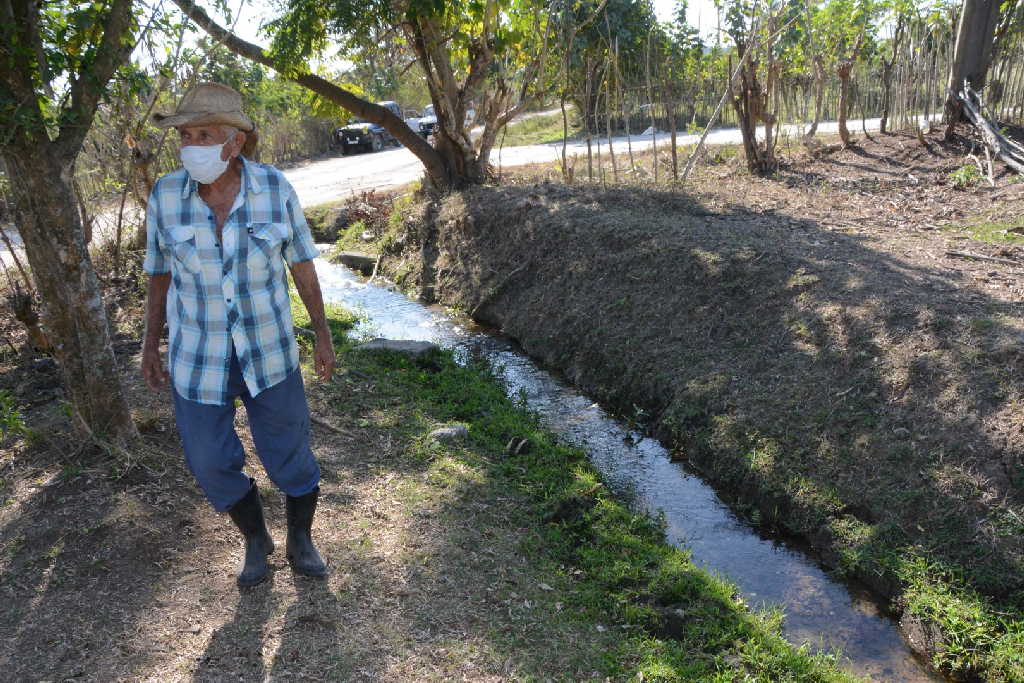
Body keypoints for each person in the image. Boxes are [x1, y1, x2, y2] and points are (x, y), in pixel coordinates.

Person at [141, 82, 335, 588]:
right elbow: (158, 271)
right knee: (209, 461)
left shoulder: (274, 189)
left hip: (268, 350)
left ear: (233, 141)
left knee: (289, 451)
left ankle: (300, 538)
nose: (191, 144)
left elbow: (302, 264)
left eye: (203, 134)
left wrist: (322, 332)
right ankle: (255, 538)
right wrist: (149, 343)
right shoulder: (164, 195)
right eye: (185, 134)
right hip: (197, 355)